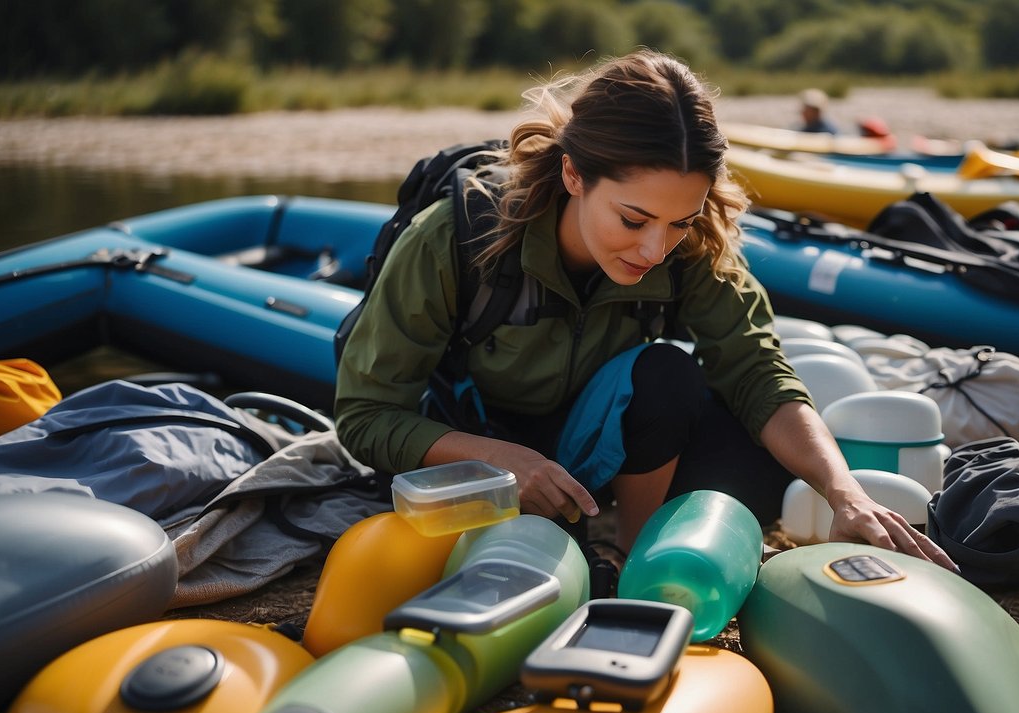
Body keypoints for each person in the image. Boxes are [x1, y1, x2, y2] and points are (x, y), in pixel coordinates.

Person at [334, 49, 957, 572]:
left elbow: (758, 373)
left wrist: (844, 491)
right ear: (574, 175)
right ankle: (586, 534)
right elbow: (364, 419)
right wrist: (503, 461)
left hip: (605, 447)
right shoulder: (455, 235)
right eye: (633, 219)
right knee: (552, 539)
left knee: (715, 420)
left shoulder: (697, 243)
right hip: (483, 451)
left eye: (678, 221)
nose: (655, 249)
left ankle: (632, 549)